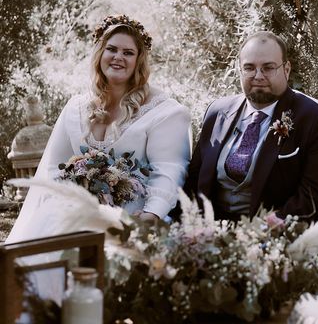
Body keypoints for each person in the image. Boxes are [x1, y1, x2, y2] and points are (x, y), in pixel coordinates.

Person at [7, 14, 192, 244]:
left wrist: (150, 215)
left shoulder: (165, 112)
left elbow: (168, 171)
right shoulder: (75, 107)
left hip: (131, 220)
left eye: (128, 53)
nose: (118, 57)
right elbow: (55, 167)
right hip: (75, 215)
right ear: (100, 53)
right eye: (111, 49)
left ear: (139, 61)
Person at [183, 31, 318, 221]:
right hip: (210, 233)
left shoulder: (313, 117)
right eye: (249, 68)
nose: (258, 76)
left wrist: (269, 228)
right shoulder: (217, 112)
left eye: (268, 68)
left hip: (273, 236)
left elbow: (316, 194)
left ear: (286, 69)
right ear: (240, 70)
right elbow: (194, 180)